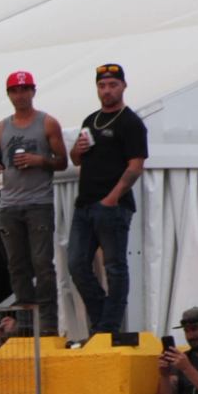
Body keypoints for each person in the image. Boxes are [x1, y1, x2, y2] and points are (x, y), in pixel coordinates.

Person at [67, 63, 149, 338]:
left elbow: (136, 165)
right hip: (85, 204)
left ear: (123, 86)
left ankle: (109, 325)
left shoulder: (131, 122)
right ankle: (102, 316)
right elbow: (76, 159)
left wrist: (112, 198)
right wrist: (76, 150)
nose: (107, 90)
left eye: (113, 85)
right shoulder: (91, 120)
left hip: (112, 205)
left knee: (115, 266)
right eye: (102, 86)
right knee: (77, 263)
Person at [0, 71, 66, 337]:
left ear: (33, 91)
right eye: (15, 91)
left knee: (42, 262)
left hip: (38, 202)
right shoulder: (0, 128)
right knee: (17, 264)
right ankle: (26, 323)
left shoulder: (47, 123)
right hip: (9, 203)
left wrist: (39, 160)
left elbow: (63, 161)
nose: (20, 95)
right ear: (9, 94)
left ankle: (49, 323)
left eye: (25, 89)